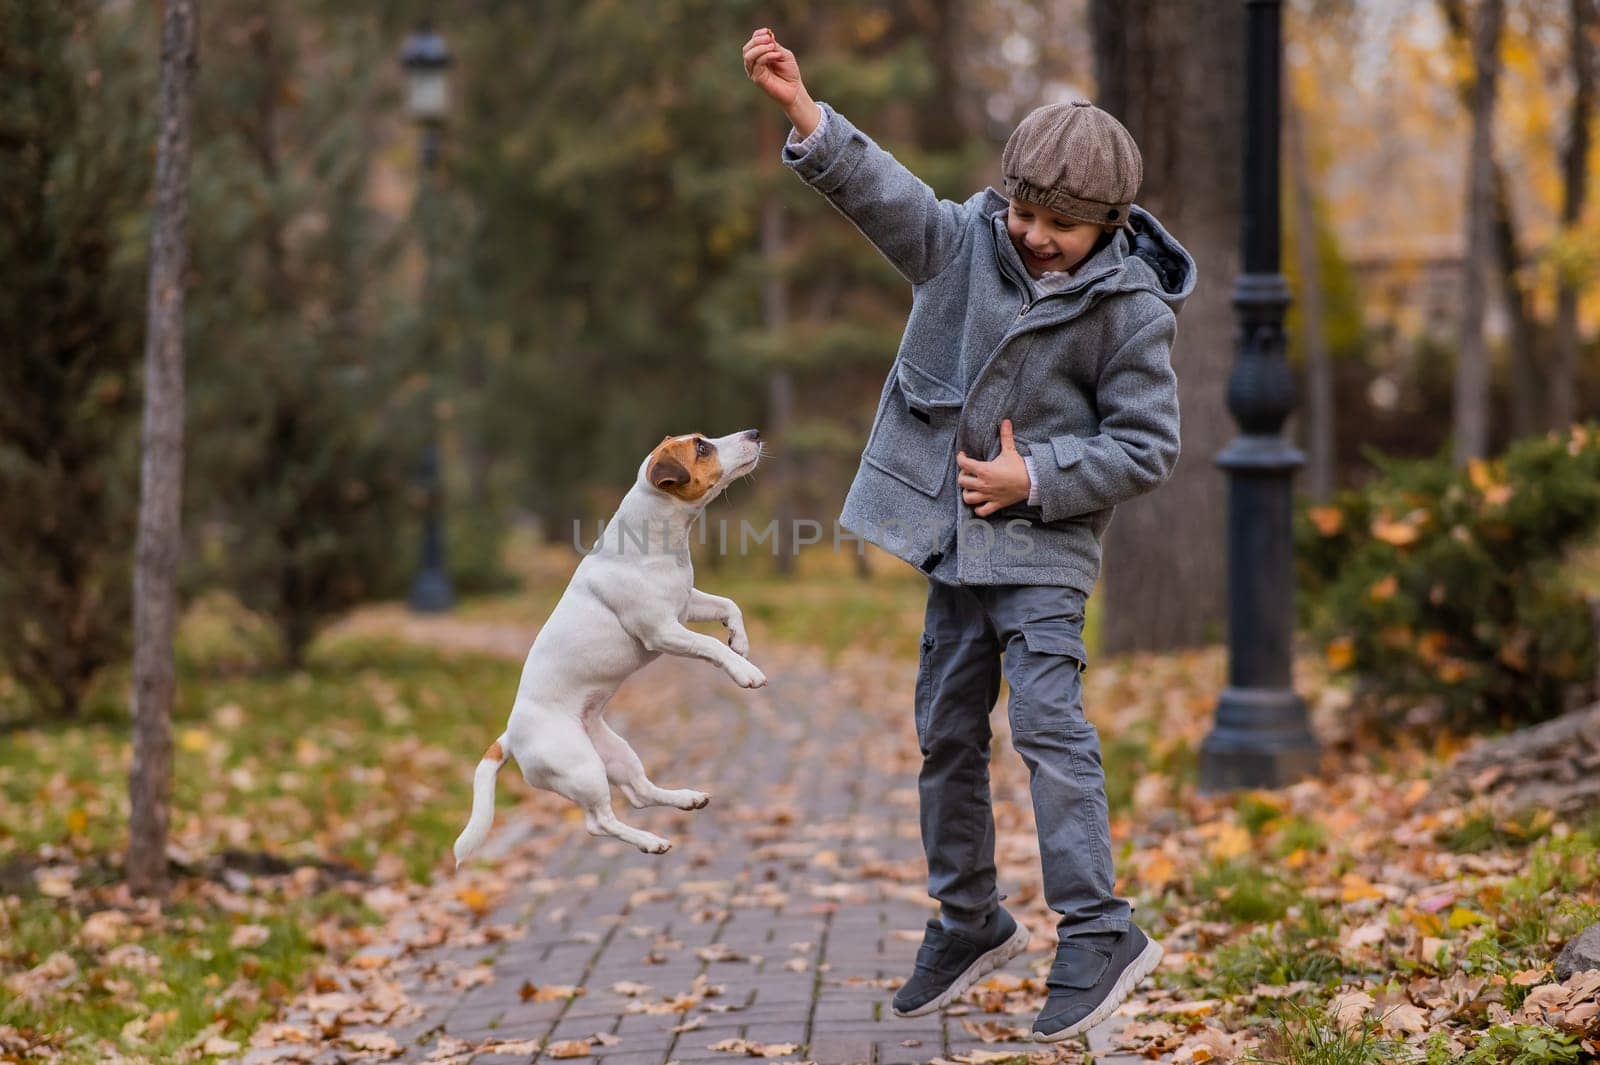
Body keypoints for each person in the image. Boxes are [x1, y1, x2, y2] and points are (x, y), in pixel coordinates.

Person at [742, 27, 1195, 1043]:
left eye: (1060, 226)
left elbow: (1146, 444)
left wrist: (1034, 475)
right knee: (945, 731)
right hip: (958, 554)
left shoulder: (1130, 310)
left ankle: (1096, 930)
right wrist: (805, 113)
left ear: (1110, 225)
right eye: (1024, 212)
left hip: (1042, 555)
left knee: (1046, 728)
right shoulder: (964, 247)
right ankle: (970, 917)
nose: (1034, 235)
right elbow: (886, 194)